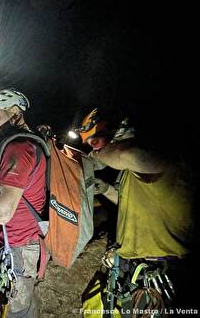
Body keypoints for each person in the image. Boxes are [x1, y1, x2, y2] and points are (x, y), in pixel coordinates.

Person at [78, 108, 196, 313]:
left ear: (117, 130)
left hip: (166, 271)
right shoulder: (136, 170)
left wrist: (96, 157)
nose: (95, 148)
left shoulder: (161, 152)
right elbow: (129, 202)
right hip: (140, 268)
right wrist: (106, 190)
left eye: (95, 141)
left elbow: (125, 154)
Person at [0, 88, 47, 318]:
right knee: (22, 308)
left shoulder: (19, 147)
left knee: (18, 312)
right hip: (22, 242)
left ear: (14, 111)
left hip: (20, 246)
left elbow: (3, 213)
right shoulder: (30, 143)